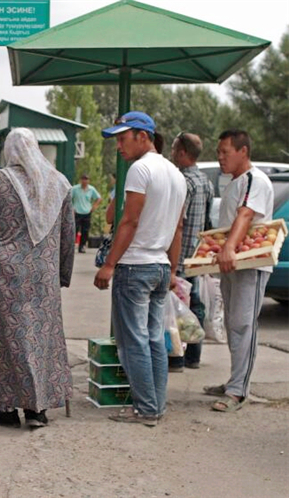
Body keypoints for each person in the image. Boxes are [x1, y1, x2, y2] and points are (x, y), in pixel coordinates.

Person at [0, 127, 75, 429]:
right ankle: (38, 410)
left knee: (7, 339)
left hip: (6, 275)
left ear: (8, 151)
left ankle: (9, 408)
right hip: (43, 275)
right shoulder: (59, 183)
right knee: (41, 337)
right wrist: (63, 273)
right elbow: (67, 235)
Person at [94, 111, 186, 427]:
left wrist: (108, 264)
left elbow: (129, 220)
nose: (119, 145)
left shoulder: (139, 169)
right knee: (154, 339)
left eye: (123, 138)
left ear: (143, 136)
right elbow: (178, 229)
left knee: (134, 341)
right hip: (160, 265)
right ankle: (156, 405)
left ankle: (146, 409)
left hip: (135, 266)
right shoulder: (176, 173)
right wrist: (172, 270)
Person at [203, 129, 273, 413]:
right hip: (231, 262)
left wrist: (229, 248)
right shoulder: (233, 182)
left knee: (244, 324)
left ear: (243, 151)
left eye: (225, 152)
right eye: (218, 152)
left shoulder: (256, 180)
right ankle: (235, 379)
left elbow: (245, 215)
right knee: (232, 323)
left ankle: (238, 391)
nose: (220, 158)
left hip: (249, 264)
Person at [168, 132, 214, 372]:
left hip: (178, 256)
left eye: (175, 148)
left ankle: (176, 358)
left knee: (175, 311)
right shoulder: (206, 181)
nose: (172, 153)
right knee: (194, 306)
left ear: (183, 153)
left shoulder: (182, 181)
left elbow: (178, 223)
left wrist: (171, 263)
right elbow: (207, 224)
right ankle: (194, 356)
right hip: (196, 257)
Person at [71, 174, 102, 253]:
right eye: (83, 179)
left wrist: (94, 207)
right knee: (74, 229)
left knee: (85, 230)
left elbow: (98, 198)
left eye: (86, 179)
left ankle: (82, 246)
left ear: (88, 181)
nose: (85, 181)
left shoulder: (91, 189)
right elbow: (69, 198)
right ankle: (72, 245)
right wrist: (72, 208)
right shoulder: (75, 189)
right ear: (81, 180)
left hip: (87, 212)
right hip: (77, 211)